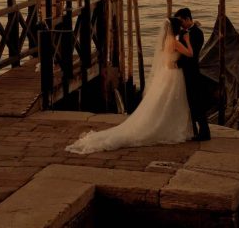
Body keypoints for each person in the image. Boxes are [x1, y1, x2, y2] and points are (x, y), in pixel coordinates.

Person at [65, 16, 193, 154]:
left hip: (166, 73)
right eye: (179, 27)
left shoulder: (166, 41)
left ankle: (166, 124)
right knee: (172, 102)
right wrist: (187, 41)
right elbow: (190, 54)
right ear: (176, 28)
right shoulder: (175, 42)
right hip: (173, 74)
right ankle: (171, 127)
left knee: (164, 102)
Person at [173, 7, 211, 141]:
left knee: (196, 101)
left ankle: (204, 131)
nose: (180, 24)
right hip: (182, 72)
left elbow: (191, 56)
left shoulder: (197, 33)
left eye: (181, 21)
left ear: (188, 19)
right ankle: (193, 130)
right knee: (188, 102)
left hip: (192, 72)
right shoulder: (182, 32)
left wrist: (178, 64)